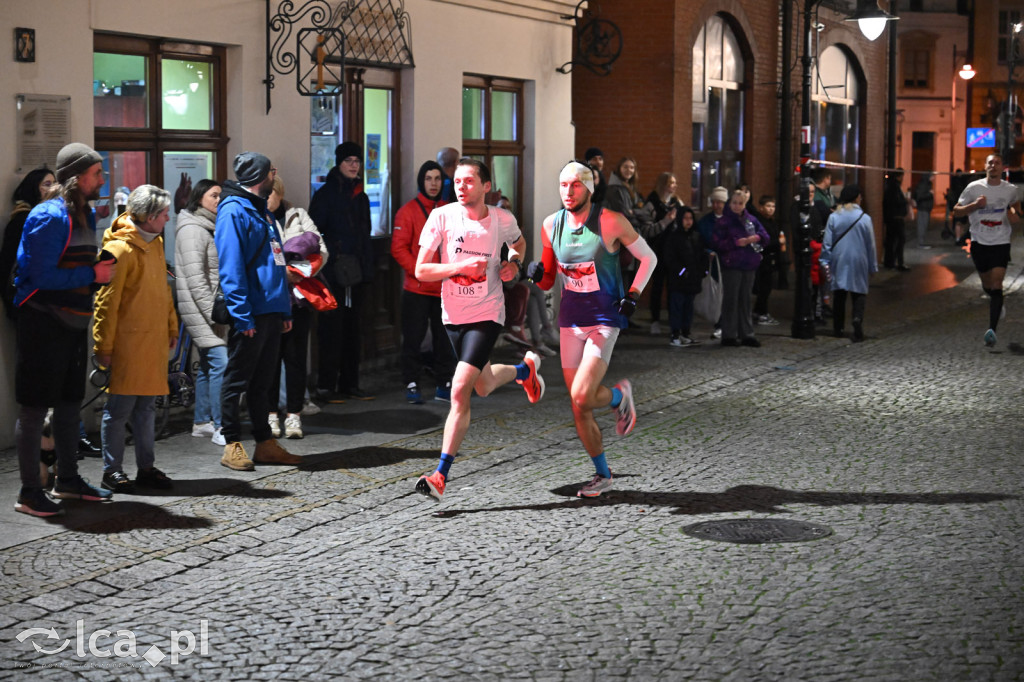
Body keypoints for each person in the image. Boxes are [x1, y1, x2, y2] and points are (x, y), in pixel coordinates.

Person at [412, 158, 543, 501]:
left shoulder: (501, 219)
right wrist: (458, 266)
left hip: (487, 313)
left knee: (459, 390)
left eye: (469, 180)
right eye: (457, 180)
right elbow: (421, 270)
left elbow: (519, 244)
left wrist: (512, 264)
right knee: (482, 386)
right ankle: (523, 371)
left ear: (486, 186)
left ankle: (440, 474)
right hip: (453, 316)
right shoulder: (441, 217)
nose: (460, 185)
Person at [531, 162, 656, 498]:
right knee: (578, 405)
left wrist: (633, 294)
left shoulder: (610, 221)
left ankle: (618, 395)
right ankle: (602, 474)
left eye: (575, 186)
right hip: (570, 322)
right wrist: (530, 272)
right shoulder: (550, 225)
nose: (568, 192)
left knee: (583, 394)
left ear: (589, 188)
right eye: (563, 186)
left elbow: (649, 258)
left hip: (604, 319)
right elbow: (545, 279)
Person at [12, 142, 117, 516]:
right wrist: (93, 273)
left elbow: (73, 268)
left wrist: (97, 271)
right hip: (43, 322)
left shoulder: (84, 214)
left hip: (73, 322)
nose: (102, 179)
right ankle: (28, 492)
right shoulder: (48, 216)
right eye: (97, 173)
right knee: (34, 408)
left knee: (71, 405)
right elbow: (38, 277)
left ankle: (68, 480)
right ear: (76, 178)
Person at [215, 152, 300, 471]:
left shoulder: (262, 211)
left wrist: (284, 308)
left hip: (271, 310)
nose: (274, 177)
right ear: (259, 177)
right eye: (271, 171)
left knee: (263, 381)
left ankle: (264, 443)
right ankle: (231, 444)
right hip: (250, 312)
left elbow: (276, 263)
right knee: (236, 380)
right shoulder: (234, 212)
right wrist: (241, 314)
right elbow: (232, 267)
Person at [93, 185, 179, 492]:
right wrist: (103, 346)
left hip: (152, 342)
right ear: (151, 216)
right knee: (118, 411)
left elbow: (163, 292)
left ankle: (146, 467)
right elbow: (106, 302)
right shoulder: (119, 249)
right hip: (128, 344)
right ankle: (111, 471)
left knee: (145, 410)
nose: (169, 218)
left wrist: (171, 327)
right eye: (165, 213)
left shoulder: (153, 243)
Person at [309, 141, 374, 402]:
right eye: (348, 161)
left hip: (356, 272)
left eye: (357, 161)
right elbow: (315, 232)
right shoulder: (325, 194)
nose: (354, 165)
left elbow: (365, 234)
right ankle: (327, 385)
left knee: (353, 328)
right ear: (339, 163)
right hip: (333, 272)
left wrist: (366, 267)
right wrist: (332, 258)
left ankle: (350, 383)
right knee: (331, 328)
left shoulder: (362, 196)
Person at [267, 175, 328, 438]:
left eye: (269, 193)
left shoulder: (298, 215)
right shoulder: (257, 218)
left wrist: (297, 271)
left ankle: (293, 415)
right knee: (269, 359)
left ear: (279, 193)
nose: (265, 198)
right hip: (269, 298)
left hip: (298, 298)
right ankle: (269, 415)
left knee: (295, 358)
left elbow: (321, 250)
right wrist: (280, 275)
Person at [392, 160, 456, 404]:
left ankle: (444, 383)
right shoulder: (407, 211)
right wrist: (420, 271)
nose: (433, 184)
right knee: (413, 339)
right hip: (417, 289)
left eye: (437, 179)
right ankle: (411, 382)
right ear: (422, 181)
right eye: (428, 179)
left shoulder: (451, 210)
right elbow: (398, 248)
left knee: (444, 340)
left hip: (443, 289)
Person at [175, 179, 228, 447]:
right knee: (221, 361)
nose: (219, 200)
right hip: (200, 309)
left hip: (208, 308)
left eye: (220, 195)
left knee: (209, 364)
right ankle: (220, 425)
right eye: (213, 195)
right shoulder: (193, 230)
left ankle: (201, 422)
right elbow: (196, 279)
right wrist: (213, 313)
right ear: (199, 199)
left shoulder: (208, 226)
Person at [953, 153, 1022, 347]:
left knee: (997, 283)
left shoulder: (1010, 189)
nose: (993, 166)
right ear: (985, 166)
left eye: (997, 163)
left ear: (1002, 167)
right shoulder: (974, 188)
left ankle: (991, 330)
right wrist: (975, 205)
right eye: (990, 163)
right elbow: (956, 210)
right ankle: (995, 301)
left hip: (1000, 242)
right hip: (979, 242)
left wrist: (1015, 213)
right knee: (987, 285)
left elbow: (1016, 204)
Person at [819, 184, 877, 342]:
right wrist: (873, 266)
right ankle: (857, 319)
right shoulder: (865, 219)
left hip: (840, 258)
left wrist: (825, 260)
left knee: (839, 293)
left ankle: (838, 327)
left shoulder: (834, 217)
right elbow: (870, 245)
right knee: (859, 293)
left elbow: (827, 243)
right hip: (860, 258)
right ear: (857, 198)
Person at [713, 189, 770, 347]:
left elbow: (766, 236)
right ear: (730, 203)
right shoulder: (724, 222)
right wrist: (735, 243)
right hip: (732, 263)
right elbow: (717, 243)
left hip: (749, 263)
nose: (737, 206)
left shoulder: (751, 220)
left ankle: (747, 333)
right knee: (731, 299)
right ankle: (729, 334)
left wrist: (756, 238)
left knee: (745, 299)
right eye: (734, 203)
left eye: (740, 203)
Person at [663, 206, 707, 347]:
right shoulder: (674, 237)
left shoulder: (696, 236)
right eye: (685, 218)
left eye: (690, 218)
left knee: (688, 307)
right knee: (677, 307)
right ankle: (675, 334)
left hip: (693, 279)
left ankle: (685, 333)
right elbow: (669, 258)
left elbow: (701, 255)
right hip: (679, 280)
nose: (688, 221)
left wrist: (703, 271)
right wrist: (681, 271)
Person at [644, 172, 681, 335]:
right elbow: (647, 230)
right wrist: (666, 221)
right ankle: (655, 320)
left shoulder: (676, 202)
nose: (674, 186)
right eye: (671, 183)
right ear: (663, 184)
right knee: (657, 286)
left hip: (673, 252)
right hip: (657, 250)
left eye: (675, 183)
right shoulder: (652, 203)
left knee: (674, 286)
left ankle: (674, 319)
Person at [696, 186, 729, 339]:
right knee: (716, 293)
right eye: (714, 202)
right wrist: (707, 251)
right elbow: (700, 240)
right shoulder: (705, 222)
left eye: (720, 202)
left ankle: (725, 323)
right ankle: (718, 323)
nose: (717, 205)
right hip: (713, 262)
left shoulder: (731, 220)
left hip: (728, 262)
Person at [752, 195, 781, 326]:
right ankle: (761, 313)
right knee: (763, 287)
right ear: (761, 207)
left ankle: (760, 311)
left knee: (767, 287)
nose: (771, 209)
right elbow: (763, 241)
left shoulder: (772, 222)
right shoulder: (760, 222)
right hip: (763, 259)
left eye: (773, 206)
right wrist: (778, 242)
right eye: (768, 206)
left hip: (771, 258)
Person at [882, 169, 910, 271]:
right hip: (895, 219)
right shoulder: (894, 188)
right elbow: (895, 202)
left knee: (892, 241)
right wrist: (904, 204)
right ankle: (897, 262)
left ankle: (892, 262)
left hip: (892, 218)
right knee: (898, 240)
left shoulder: (891, 187)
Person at [913, 172, 935, 248]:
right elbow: (919, 196)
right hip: (923, 208)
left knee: (924, 226)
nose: (933, 178)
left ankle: (921, 242)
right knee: (922, 226)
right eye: (932, 176)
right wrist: (930, 194)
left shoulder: (928, 184)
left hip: (926, 208)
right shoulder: (923, 184)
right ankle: (920, 243)